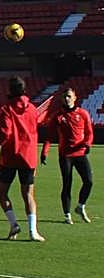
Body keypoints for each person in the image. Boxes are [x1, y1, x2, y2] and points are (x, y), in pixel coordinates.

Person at [0, 76, 43, 242]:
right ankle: (33, 231)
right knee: (28, 194)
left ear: (10, 90)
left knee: (3, 193)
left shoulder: (6, 109)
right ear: (24, 89)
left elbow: (5, 133)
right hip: (28, 157)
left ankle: (14, 224)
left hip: (9, 157)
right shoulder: (33, 109)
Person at [40, 86, 93, 225]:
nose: (67, 98)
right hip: (65, 155)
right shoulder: (57, 116)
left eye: (69, 96)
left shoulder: (83, 114)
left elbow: (89, 133)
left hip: (80, 153)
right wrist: (44, 152)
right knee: (67, 184)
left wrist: (87, 144)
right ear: (61, 99)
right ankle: (67, 215)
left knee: (89, 181)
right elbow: (49, 137)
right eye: (65, 96)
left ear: (75, 98)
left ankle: (80, 206)